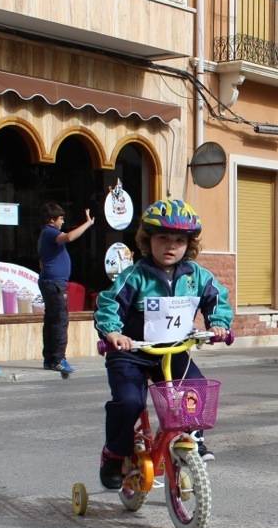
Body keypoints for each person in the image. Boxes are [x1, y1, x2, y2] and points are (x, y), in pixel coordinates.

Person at [93, 199, 232, 488]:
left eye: (179, 240)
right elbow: (108, 304)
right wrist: (113, 333)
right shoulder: (135, 275)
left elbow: (217, 297)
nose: (171, 246)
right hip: (132, 352)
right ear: (148, 240)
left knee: (195, 389)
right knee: (129, 401)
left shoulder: (197, 277)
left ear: (189, 244)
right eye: (162, 238)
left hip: (172, 351)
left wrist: (218, 324)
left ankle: (193, 439)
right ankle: (115, 455)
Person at [38, 202, 95, 376]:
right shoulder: (50, 232)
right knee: (60, 321)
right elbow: (69, 237)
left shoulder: (47, 234)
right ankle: (58, 360)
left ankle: (50, 359)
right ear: (52, 219)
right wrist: (88, 224)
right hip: (54, 284)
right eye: (61, 218)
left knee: (52, 321)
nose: (62, 222)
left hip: (51, 282)